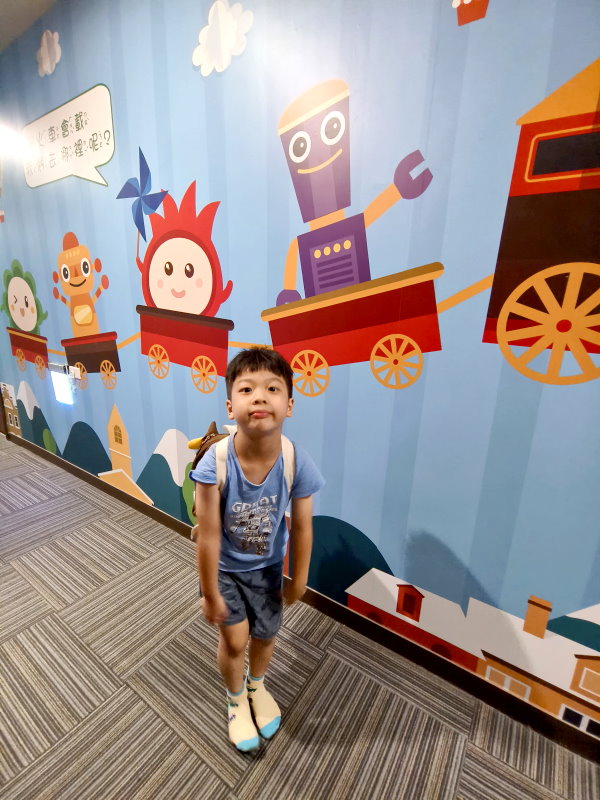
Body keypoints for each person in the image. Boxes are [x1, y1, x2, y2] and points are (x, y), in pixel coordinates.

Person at [190, 347, 325, 752]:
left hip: (268, 569)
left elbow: (303, 526)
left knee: (266, 635)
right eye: (247, 389)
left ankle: (256, 686)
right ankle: (235, 701)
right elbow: (208, 535)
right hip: (225, 570)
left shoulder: (295, 460)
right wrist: (209, 592)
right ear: (231, 407)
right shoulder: (215, 464)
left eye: (272, 388)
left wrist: (299, 579)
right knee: (235, 640)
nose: (260, 397)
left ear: (290, 405)